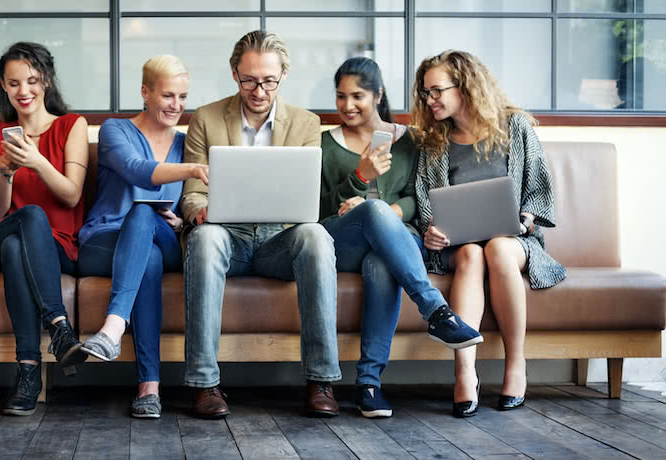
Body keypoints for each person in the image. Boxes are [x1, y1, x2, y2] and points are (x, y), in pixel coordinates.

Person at [180, 30, 339, 418]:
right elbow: (191, 193)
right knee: (203, 239)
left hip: (278, 240)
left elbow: (306, 196)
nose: (258, 89)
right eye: (249, 79)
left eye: (268, 80)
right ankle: (204, 383)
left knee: (316, 236)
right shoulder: (206, 117)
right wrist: (199, 210)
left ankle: (321, 380)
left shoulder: (305, 123)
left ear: (283, 74)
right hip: (225, 237)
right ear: (235, 73)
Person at [319, 57, 482, 418]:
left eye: (357, 95)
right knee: (372, 213)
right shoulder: (325, 145)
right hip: (342, 240)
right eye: (340, 96)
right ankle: (436, 311)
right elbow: (317, 210)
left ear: (378, 95)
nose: (347, 106)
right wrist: (359, 180)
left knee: (381, 261)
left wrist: (391, 211)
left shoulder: (412, 141)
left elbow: (420, 194)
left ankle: (369, 384)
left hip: (397, 245)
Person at [411, 50, 565, 417]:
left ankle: (516, 365)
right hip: (458, 247)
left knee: (496, 248)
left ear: (464, 86)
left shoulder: (516, 127)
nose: (430, 100)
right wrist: (431, 233)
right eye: (425, 92)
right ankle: (464, 373)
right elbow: (425, 203)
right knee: (471, 253)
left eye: (437, 91)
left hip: (514, 241)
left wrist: (525, 220)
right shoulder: (434, 140)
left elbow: (539, 192)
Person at [77, 55, 208, 419]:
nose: (177, 106)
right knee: (143, 230)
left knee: (147, 220)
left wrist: (182, 223)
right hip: (104, 240)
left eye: (183, 97)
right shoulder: (114, 130)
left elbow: (191, 203)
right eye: (168, 95)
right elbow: (137, 172)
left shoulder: (187, 142)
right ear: (145, 93)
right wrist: (193, 168)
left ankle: (112, 328)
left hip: (165, 238)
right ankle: (148, 388)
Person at [0, 42, 89, 416]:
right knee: (25, 221)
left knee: (26, 235)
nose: (23, 91)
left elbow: (72, 196)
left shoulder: (71, 126)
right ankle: (60, 327)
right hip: (3, 234)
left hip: (55, 243)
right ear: (3, 85)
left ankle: (28, 373)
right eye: (13, 84)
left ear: (45, 80)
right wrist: (8, 172)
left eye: (31, 81)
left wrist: (38, 161)